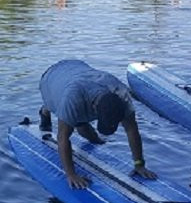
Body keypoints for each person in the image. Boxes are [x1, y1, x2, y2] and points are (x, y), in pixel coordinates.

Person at [38, 59, 157, 189]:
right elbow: (62, 138)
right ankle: (44, 112)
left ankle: (84, 128)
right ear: (94, 109)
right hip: (52, 79)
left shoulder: (122, 96)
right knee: (63, 114)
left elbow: (132, 130)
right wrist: (71, 175)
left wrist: (139, 164)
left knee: (92, 137)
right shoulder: (72, 99)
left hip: (78, 69)